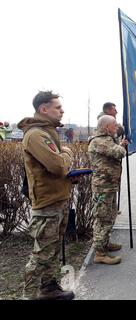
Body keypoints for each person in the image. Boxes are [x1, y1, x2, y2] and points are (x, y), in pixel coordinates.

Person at [18, 91, 76, 300]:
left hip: (57, 200)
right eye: (58, 108)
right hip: (47, 204)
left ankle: (48, 289)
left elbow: (55, 169)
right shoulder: (35, 135)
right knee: (41, 255)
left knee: (51, 251)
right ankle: (30, 296)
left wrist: (69, 175)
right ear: (44, 109)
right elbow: (57, 165)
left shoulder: (47, 132)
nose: (62, 111)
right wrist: (68, 153)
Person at [88, 115, 129, 264]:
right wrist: (122, 145)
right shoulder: (99, 141)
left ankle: (105, 243)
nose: (116, 128)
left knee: (110, 216)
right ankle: (100, 253)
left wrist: (120, 143)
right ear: (106, 127)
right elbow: (118, 152)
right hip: (102, 188)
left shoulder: (108, 139)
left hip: (109, 186)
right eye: (114, 125)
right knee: (103, 218)